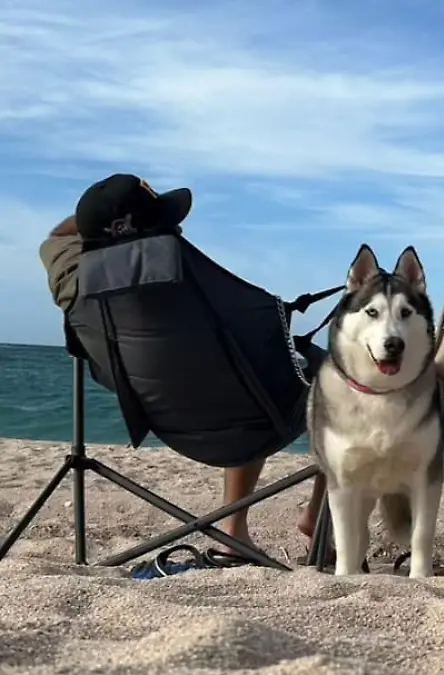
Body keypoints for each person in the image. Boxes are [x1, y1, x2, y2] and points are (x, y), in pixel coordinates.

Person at [38, 173, 328, 564]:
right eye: (164, 219)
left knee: (235, 386)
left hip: (159, 415)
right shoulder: (192, 288)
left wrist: (103, 221)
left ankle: (235, 534)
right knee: (341, 386)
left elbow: (57, 235)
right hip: (245, 422)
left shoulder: (70, 276)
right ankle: (315, 519)